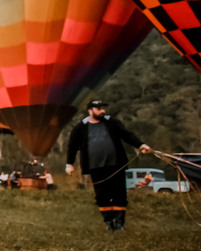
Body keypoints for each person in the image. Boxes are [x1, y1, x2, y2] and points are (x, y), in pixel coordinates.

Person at [65, 99, 152, 231]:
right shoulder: (80, 128)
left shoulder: (112, 122)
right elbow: (72, 146)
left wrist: (140, 145)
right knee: (101, 195)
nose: (102, 111)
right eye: (98, 108)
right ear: (90, 110)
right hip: (95, 167)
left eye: (103, 108)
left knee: (119, 194)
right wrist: (69, 164)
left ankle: (119, 223)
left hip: (116, 165)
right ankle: (109, 222)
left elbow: (127, 135)